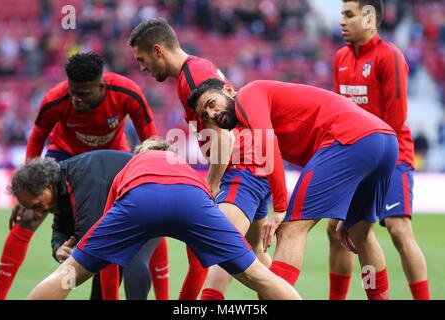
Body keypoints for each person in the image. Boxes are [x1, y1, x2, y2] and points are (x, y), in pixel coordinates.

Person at [189, 78, 398, 300]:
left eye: (212, 104)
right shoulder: (256, 109)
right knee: (361, 235)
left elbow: (269, 147)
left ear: (229, 91)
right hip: (383, 139)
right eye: (204, 115)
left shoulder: (247, 96)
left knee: (290, 230)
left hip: (348, 139)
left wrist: (280, 208)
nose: (211, 115)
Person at [23, 139, 301, 300]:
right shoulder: (186, 167)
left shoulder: (131, 166)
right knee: (258, 275)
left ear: (140, 153)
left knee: (68, 274)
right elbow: (197, 260)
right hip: (193, 198)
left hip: (140, 197)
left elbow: (107, 260)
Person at [0, 52, 169, 300]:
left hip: (110, 161)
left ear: (102, 86)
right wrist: (28, 188)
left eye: (84, 94)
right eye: (73, 91)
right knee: (29, 215)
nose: (76, 99)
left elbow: (151, 139)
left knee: (145, 221)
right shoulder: (56, 99)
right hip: (64, 159)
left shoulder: (126, 93)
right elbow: (37, 137)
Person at [128, 17, 272, 300]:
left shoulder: (193, 76)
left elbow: (224, 137)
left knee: (218, 254)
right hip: (255, 164)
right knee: (254, 257)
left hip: (241, 167)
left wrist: (212, 183)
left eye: (142, 59)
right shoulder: (194, 71)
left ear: (158, 50)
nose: (142, 68)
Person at [328, 0, 429, 300]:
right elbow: (338, 112)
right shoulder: (340, 58)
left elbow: (395, 121)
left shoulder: (390, 57)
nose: (342, 21)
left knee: (398, 231)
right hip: (356, 158)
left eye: (349, 15)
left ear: (369, 18)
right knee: (336, 230)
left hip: (392, 155)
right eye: (341, 15)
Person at [6, 150, 160, 299]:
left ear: (47, 187)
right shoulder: (62, 182)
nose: (38, 213)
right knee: (106, 256)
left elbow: (92, 238)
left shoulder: (81, 179)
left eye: (37, 205)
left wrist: (64, 275)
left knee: (131, 259)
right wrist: (59, 247)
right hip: (135, 204)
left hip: (153, 194)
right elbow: (62, 226)